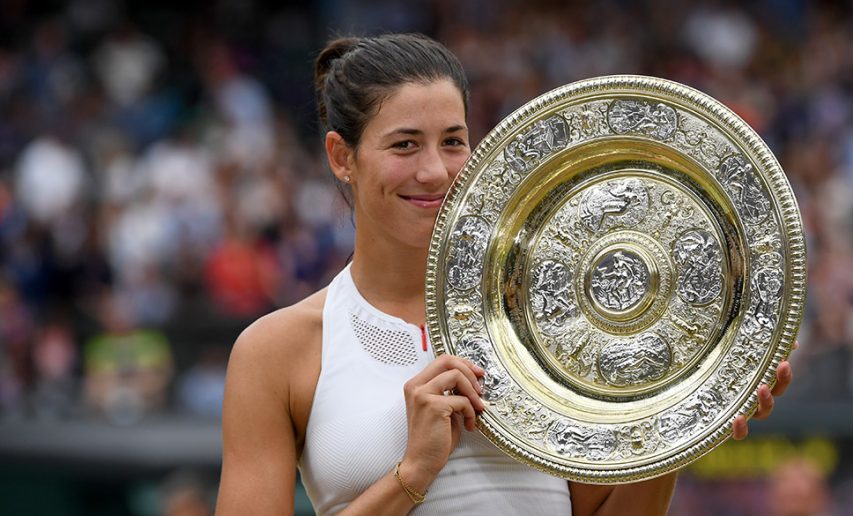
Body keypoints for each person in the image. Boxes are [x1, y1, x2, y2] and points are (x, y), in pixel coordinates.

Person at [215, 33, 795, 515]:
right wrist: (412, 473)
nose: (434, 171)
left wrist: (683, 424)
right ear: (342, 157)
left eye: (453, 142)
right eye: (404, 145)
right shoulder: (278, 351)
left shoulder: (557, 319)